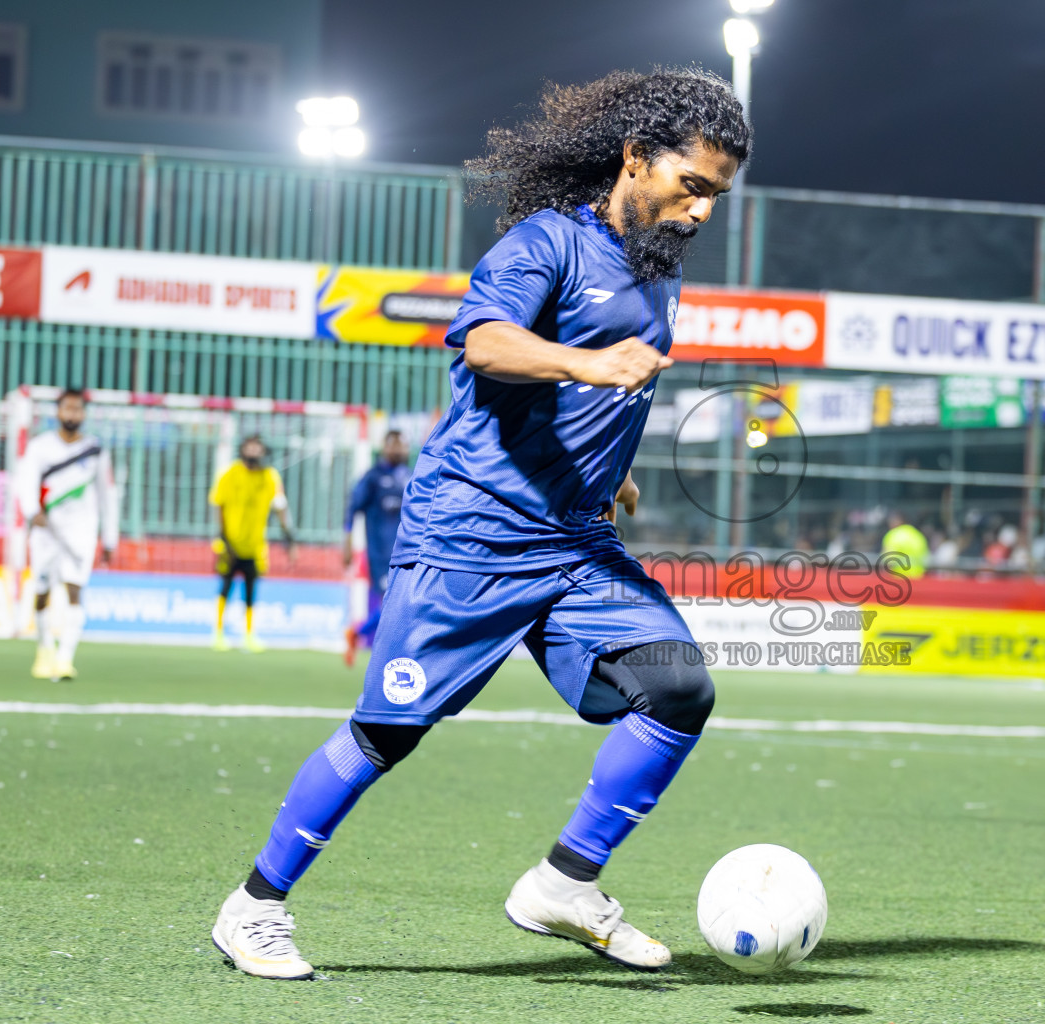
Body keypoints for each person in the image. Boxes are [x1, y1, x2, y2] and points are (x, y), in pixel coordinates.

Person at [210, 68, 750, 979]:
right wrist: (586, 365)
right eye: (689, 185)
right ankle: (254, 906)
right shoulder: (546, 244)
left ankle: (566, 884)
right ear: (634, 160)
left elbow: (600, 394)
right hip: (475, 533)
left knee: (681, 688)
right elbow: (485, 342)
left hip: (576, 543)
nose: (699, 211)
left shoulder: (662, 269)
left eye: (716, 197)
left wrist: (604, 475)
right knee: (388, 730)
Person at [15, 388, 118, 681]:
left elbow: (107, 494)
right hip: (46, 529)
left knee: (75, 588)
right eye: (67, 408)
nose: (72, 414)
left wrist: (109, 538)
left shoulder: (96, 450)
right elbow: (27, 481)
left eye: (78, 409)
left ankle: (65, 658)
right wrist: (33, 510)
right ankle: (44, 648)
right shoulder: (40, 447)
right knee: (42, 590)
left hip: (81, 530)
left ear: (84, 414)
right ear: (58, 412)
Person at [209, 435, 296, 653]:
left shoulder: (270, 477)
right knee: (225, 587)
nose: (254, 452)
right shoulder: (229, 474)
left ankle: (249, 635)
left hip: (256, 545)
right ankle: (218, 632)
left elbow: (280, 507)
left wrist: (290, 539)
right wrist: (222, 538)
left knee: (251, 589)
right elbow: (219, 505)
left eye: (258, 448)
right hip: (230, 543)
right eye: (250, 447)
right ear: (243, 449)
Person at [341, 430, 412, 665]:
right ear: (384, 447)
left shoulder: (410, 476)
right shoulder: (372, 477)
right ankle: (362, 636)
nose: (399, 450)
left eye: (402, 445)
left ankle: (358, 633)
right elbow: (352, 508)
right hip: (381, 554)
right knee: (393, 602)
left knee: (401, 602)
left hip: (407, 551)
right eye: (394, 445)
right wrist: (347, 542)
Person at [881, 511, 929, 578]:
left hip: (899, 579)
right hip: (918, 579)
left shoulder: (893, 535)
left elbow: (888, 561)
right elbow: (926, 559)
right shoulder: (918, 535)